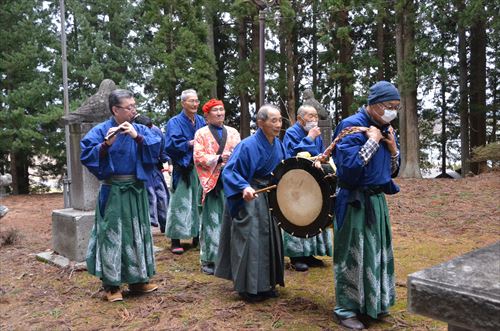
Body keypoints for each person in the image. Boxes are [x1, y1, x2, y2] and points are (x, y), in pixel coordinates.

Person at [331, 81, 401, 330]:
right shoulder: (351, 126)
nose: (393, 111)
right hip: (354, 201)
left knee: (375, 252)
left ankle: (373, 302)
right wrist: (371, 142)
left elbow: (391, 171)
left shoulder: (386, 128)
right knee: (353, 253)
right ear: (374, 105)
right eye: (389, 106)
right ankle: (346, 309)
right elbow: (348, 170)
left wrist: (392, 149)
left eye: (396, 107)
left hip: (376, 200)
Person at [80, 89, 161, 302]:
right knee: (112, 235)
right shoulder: (101, 130)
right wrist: (106, 145)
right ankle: (111, 285)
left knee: (136, 234)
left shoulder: (140, 127)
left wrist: (139, 137)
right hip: (113, 189)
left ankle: (137, 280)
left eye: (135, 106)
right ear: (115, 110)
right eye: (129, 107)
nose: (134, 110)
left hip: (136, 188)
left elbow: (158, 147)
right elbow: (86, 154)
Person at [214, 104, 288, 303]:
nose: (278, 124)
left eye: (280, 120)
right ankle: (248, 287)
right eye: (273, 120)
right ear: (261, 122)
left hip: (269, 196)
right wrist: (243, 187)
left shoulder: (279, 145)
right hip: (250, 195)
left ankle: (266, 283)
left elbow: (284, 167)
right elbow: (230, 171)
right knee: (251, 239)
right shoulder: (247, 145)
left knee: (269, 239)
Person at [282, 105, 333, 272]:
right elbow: (292, 154)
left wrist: (321, 158)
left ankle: (310, 253)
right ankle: (296, 256)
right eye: (310, 116)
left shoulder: (316, 132)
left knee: (313, 214)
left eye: (316, 116)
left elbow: (318, 152)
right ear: (299, 119)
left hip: (313, 178)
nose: (314, 120)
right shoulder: (291, 133)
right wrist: (309, 138)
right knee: (297, 215)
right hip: (295, 181)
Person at [193, 99, 241, 275]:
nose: (220, 113)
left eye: (222, 109)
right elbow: (198, 157)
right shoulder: (201, 133)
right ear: (206, 115)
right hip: (212, 182)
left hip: (230, 182)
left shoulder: (234, 132)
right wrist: (219, 158)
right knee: (211, 221)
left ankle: (230, 257)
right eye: (215, 110)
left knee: (231, 220)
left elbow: (241, 152)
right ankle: (209, 259)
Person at [164, 89, 206, 254]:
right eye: (191, 101)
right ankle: (176, 239)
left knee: (198, 202)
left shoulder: (201, 120)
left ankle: (196, 236)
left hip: (200, 168)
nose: (195, 104)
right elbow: (170, 145)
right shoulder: (174, 122)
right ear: (183, 103)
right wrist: (189, 143)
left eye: (196, 101)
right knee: (180, 203)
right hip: (183, 168)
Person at [133, 114, 172, 233]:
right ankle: (149, 223)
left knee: (163, 196)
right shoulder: (133, 133)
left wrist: (169, 163)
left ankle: (165, 224)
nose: (149, 129)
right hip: (142, 168)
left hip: (156, 168)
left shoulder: (157, 131)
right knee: (150, 196)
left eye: (150, 126)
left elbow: (163, 151)